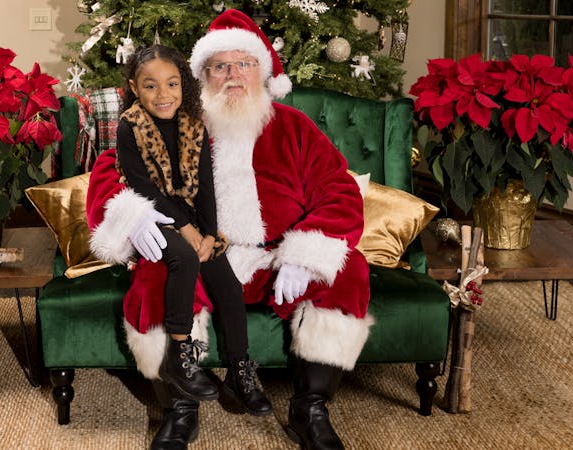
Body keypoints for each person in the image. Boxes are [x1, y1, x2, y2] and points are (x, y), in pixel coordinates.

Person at [87, 11, 372, 450]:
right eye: (220, 66)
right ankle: (179, 410)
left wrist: (304, 251)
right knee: (156, 274)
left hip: (276, 259)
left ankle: (310, 410)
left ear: (264, 72)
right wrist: (133, 211)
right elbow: (111, 169)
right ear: (202, 77)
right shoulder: (175, 124)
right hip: (201, 256)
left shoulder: (295, 129)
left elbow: (339, 190)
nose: (233, 76)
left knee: (348, 268)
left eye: (245, 64)